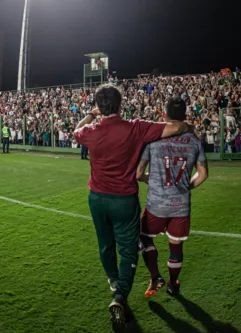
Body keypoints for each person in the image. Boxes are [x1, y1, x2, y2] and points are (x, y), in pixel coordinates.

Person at [73, 84, 198, 327]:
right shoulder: (136, 127)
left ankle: (113, 280)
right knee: (129, 250)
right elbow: (175, 127)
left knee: (105, 244)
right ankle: (119, 296)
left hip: (97, 198)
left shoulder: (91, 129)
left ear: (100, 106)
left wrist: (91, 114)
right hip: (125, 199)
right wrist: (189, 126)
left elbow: (76, 131)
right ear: (121, 105)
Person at [136, 97, 208, 298]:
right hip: (181, 205)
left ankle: (155, 276)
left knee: (142, 236)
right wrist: (185, 187)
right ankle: (172, 283)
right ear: (185, 116)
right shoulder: (195, 140)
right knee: (176, 246)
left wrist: (148, 179)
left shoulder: (154, 139)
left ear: (164, 115)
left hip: (156, 205)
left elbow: (138, 173)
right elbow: (203, 174)